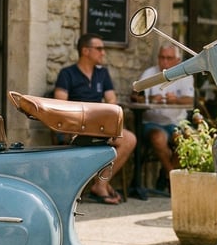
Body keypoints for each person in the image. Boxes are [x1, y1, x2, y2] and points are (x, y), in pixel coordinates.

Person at [53, 33, 137, 204]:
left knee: (129, 139)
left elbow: (111, 100)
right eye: (99, 49)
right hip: (76, 128)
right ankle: (102, 185)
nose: (103, 53)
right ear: (85, 51)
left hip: (99, 127)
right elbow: (59, 104)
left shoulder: (102, 74)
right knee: (126, 139)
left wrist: (102, 115)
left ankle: (101, 184)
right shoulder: (67, 74)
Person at [134, 44, 194, 189]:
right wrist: (150, 99)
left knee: (190, 138)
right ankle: (174, 179)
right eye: (162, 57)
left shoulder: (184, 74)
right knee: (158, 139)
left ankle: (166, 175)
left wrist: (176, 100)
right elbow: (135, 97)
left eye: (169, 58)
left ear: (178, 60)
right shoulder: (150, 74)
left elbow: (191, 100)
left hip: (177, 122)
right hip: (152, 122)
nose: (165, 62)